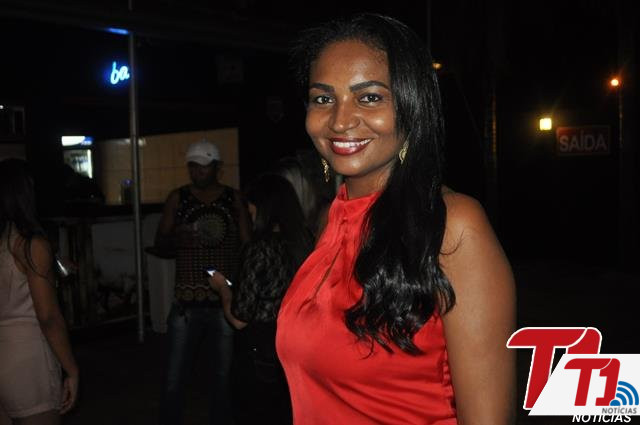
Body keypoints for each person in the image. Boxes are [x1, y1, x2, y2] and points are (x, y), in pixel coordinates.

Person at [276, 14, 516, 425]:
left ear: (411, 106)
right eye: (323, 99)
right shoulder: (330, 221)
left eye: (369, 97)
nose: (340, 120)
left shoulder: (452, 226)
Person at [155, 140, 251, 425]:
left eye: (204, 166)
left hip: (225, 302)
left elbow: (247, 244)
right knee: (174, 375)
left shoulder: (233, 199)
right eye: (193, 166)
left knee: (224, 376)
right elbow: (160, 244)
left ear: (217, 168)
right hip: (186, 302)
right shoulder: (178, 198)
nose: (198, 171)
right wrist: (177, 237)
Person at [209, 173, 313, 424]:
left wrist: (222, 288)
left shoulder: (260, 248)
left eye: (251, 205)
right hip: (294, 349)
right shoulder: (304, 244)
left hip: (259, 351)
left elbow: (239, 319)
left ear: (263, 206)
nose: (248, 211)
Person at [0, 158, 79, 425]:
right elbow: (48, 317)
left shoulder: (5, 241)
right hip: (27, 360)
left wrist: (52, 269)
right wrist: (71, 369)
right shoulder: (31, 244)